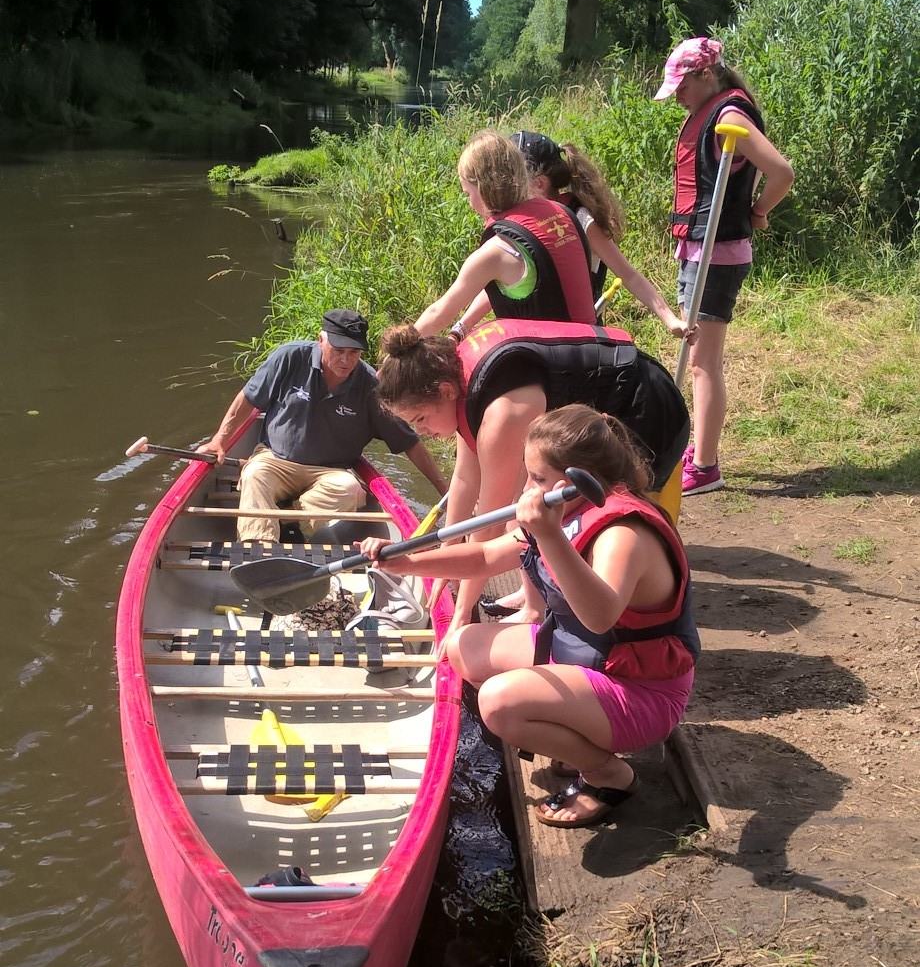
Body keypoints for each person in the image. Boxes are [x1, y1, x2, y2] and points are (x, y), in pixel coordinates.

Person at [359, 404, 698, 829]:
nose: (526, 490)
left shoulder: (623, 535)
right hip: (587, 656)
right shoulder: (570, 510)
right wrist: (403, 562)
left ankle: (608, 774)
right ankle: (577, 734)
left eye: (537, 479)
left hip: (641, 689)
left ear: (572, 482)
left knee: (498, 703)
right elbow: (486, 556)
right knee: (465, 647)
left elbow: (599, 617)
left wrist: (547, 533)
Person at [374, 317, 689, 638]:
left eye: (421, 419)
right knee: (527, 498)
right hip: (601, 411)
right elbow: (465, 480)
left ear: (445, 392)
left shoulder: (501, 413)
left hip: (646, 406)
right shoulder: (456, 382)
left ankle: (629, 618)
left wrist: (463, 611)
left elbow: (489, 523)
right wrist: (446, 557)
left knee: (603, 518)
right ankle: (533, 601)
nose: (422, 431)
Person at [654, 37, 794, 495]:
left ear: (705, 75)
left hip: (718, 253)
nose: (678, 96)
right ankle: (701, 451)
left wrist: (759, 212)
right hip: (700, 250)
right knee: (701, 359)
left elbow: (782, 172)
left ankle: (706, 466)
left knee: (702, 363)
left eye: (681, 87)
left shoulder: (729, 116)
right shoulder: (711, 111)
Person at [197, 308, 447, 544]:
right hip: (275, 460)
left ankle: (289, 526)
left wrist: (445, 489)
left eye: (354, 352)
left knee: (351, 489)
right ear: (320, 340)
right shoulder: (290, 357)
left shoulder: (371, 386)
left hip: (330, 472)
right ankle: (258, 545)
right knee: (254, 474)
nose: (346, 360)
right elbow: (248, 399)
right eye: (338, 350)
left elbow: (409, 442)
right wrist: (219, 441)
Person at [413, 130, 596, 338]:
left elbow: (438, 314)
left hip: (554, 356)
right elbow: (515, 280)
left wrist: (398, 350)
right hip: (591, 346)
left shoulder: (496, 252)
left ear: (484, 189)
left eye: (468, 193)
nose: (470, 203)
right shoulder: (560, 212)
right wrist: (461, 329)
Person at [512, 130, 690, 341]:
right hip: (537, 337)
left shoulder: (579, 219)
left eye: (513, 181)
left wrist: (670, 319)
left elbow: (629, 275)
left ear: (540, 183)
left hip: (578, 340)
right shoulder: (520, 223)